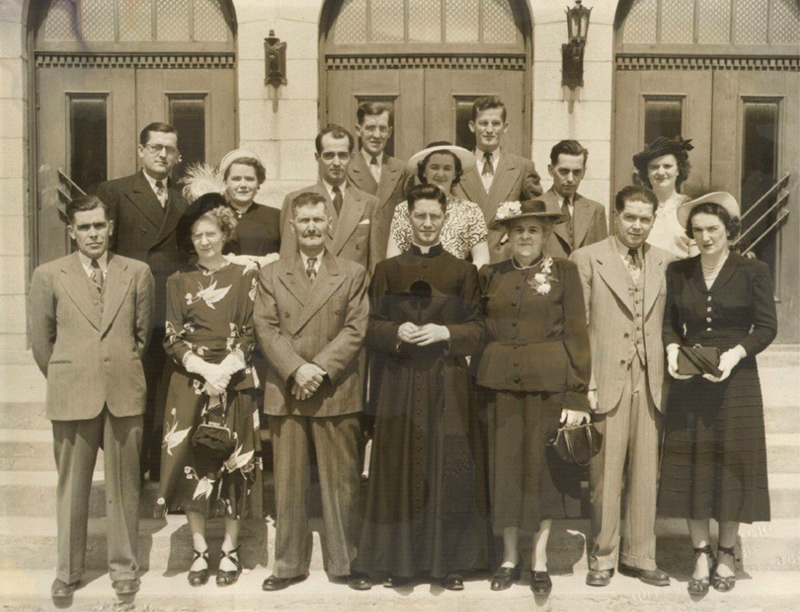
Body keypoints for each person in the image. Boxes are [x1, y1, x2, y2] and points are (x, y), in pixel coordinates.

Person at [352, 184, 490, 591]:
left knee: (447, 467)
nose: (427, 224)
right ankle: (398, 561)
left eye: (434, 216)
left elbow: (480, 327)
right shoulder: (387, 270)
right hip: (398, 384)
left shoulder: (464, 272)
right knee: (399, 465)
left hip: (446, 382)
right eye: (419, 216)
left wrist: (444, 330)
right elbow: (369, 325)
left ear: (445, 219)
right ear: (408, 219)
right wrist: (397, 330)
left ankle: (449, 564)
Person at [28, 195, 154, 602]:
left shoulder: (136, 272)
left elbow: (141, 335)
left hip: (122, 390)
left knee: (125, 487)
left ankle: (124, 570)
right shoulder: (49, 274)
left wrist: (113, 366)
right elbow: (41, 341)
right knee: (72, 487)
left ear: (111, 226)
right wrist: (70, 372)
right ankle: (68, 570)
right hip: (72, 391)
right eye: (84, 227)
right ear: (72, 232)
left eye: (99, 225)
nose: (93, 234)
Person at [658, 192, 777, 595]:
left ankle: (726, 552)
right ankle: (699, 553)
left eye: (713, 229)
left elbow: (766, 327)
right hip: (690, 380)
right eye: (697, 231)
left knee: (730, 464)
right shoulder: (678, 271)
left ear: (729, 231)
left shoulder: (753, 270)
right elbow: (670, 324)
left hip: (736, 378)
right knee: (693, 464)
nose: (705, 237)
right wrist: (673, 349)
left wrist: (734, 355)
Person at [255, 192, 370, 592]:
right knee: (288, 483)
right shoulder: (270, 274)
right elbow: (265, 329)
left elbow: (356, 329)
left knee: (342, 482)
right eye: (303, 221)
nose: (310, 227)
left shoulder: (353, 273)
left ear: (330, 224)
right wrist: (296, 369)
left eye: (317, 220)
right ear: (292, 226)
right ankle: (287, 565)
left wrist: (318, 369)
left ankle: (347, 561)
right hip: (286, 388)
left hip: (334, 387)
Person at [478, 199, 590, 597]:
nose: (525, 237)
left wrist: (577, 396)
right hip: (500, 388)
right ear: (507, 236)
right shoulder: (490, 274)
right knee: (506, 471)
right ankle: (509, 558)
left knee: (542, 474)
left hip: (548, 385)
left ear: (545, 235)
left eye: (534, 230)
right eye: (519, 230)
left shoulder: (565, 272)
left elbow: (577, 333)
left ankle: (538, 560)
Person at [154, 193, 262, 588]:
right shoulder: (178, 281)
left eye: (211, 233)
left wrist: (225, 370)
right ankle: (200, 549)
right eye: (198, 235)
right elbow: (171, 335)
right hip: (191, 382)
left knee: (234, 463)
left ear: (224, 233)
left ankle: (230, 549)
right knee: (191, 466)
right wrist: (203, 371)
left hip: (235, 381)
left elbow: (252, 331)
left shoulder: (246, 275)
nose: (204, 240)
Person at [570, 185, 673, 589]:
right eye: (630, 217)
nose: (637, 226)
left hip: (650, 380)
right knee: (606, 473)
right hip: (606, 378)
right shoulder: (588, 259)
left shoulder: (666, 262)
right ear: (616, 216)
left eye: (645, 219)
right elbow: (579, 327)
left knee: (647, 471)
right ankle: (603, 555)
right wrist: (586, 382)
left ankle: (641, 555)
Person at [96, 122, 189, 479]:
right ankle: (131, 468)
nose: (164, 155)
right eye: (156, 148)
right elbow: (104, 251)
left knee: (166, 390)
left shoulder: (183, 197)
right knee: (133, 388)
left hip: (171, 309)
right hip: (132, 307)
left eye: (170, 149)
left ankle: (158, 465)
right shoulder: (116, 191)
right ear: (141, 151)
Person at [452, 96, 542, 262]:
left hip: (507, 261)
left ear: (505, 127)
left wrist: (517, 234)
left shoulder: (522, 167)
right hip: (463, 260)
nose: (489, 130)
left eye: (495, 123)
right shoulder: (457, 168)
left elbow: (536, 217)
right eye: (483, 123)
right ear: (472, 126)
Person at [279, 124, 378, 271]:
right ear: (317, 157)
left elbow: (375, 263)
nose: (336, 163)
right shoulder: (295, 200)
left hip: (354, 289)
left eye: (342, 155)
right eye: (329, 155)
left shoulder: (369, 203)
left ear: (351, 157)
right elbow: (287, 261)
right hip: (312, 288)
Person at [387, 142, 490, 268]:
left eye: (447, 168)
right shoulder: (404, 209)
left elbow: (482, 258)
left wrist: (465, 281)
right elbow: (393, 257)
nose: (440, 174)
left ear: (455, 174)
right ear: (424, 171)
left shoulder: (470, 210)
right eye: (434, 167)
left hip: (456, 282)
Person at [347, 102, 409, 269]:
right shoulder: (346, 168)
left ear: (389, 132)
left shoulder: (401, 169)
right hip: (356, 259)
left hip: (391, 256)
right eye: (370, 128)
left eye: (382, 128)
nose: (376, 135)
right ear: (359, 130)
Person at [632, 135, 698, 259]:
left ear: (678, 170)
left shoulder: (689, 207)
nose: (661, 172)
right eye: (654, 167)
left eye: (667, 166)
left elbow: (697, 259)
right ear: (647, 173)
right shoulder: (638, 207)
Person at [541, 140, 608, 258]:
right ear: (551, 170)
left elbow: (602, 259)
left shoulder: (596, 210)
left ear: (584, 173)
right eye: (564, 171)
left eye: (577, 172)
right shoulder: (537, 206)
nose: (571, 179)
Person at [218, 149, 281, 260]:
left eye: (250, 179)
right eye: (236, 179)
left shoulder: (276, 216)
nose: (243, 185)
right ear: (225, 183)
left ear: (258, 183)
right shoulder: (214, 216)